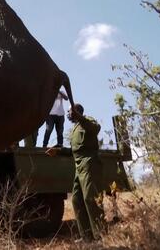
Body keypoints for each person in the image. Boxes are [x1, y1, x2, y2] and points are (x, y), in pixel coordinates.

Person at [66, 103, 104, 241]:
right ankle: (86, 237)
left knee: (91, 198)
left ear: (77, 112)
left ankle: (100, 236)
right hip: (79, 166)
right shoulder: (75, 128)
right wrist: (58, 151)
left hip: (89, 162)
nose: (68, 113)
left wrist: (81, 117)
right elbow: (74, 150)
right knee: (76, 200)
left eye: (70, 111)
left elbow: (95, 129)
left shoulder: (88, 120)